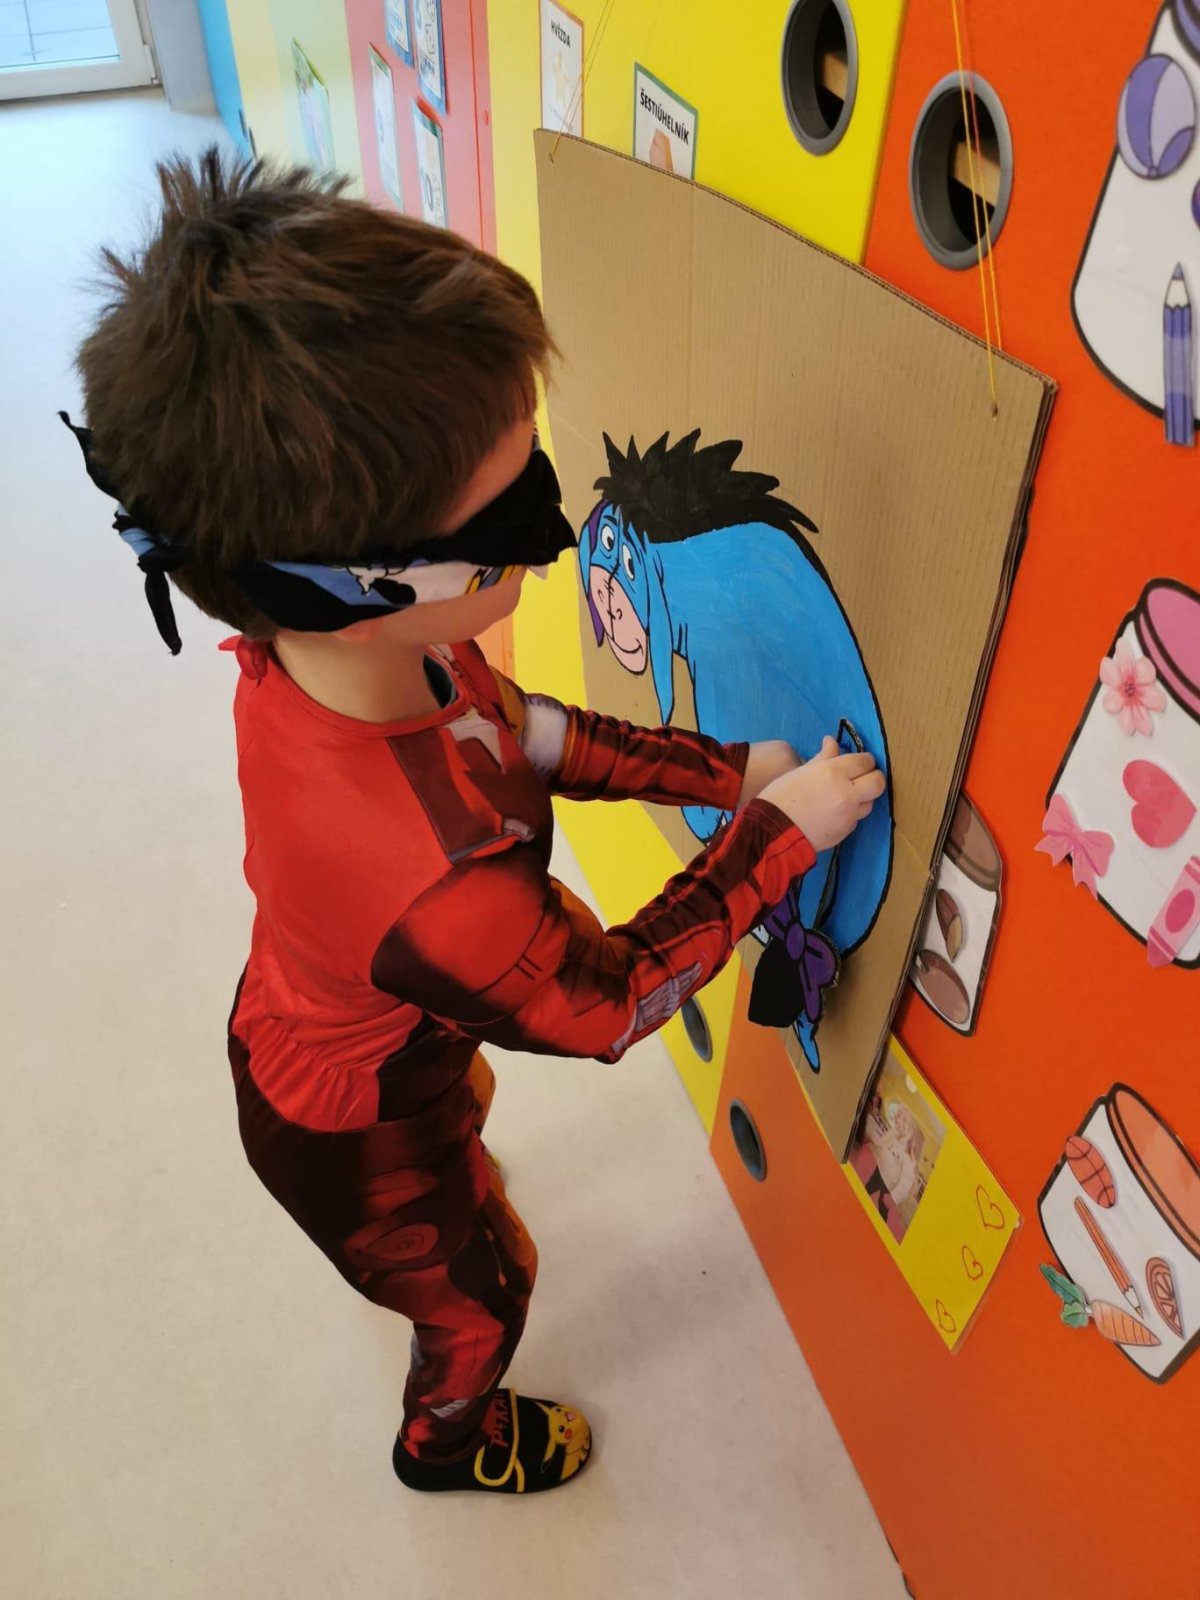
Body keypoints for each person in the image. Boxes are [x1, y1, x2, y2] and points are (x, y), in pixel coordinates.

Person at [66, 149, 886, 1497]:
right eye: (506, 521)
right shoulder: (430, 882)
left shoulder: (365, 661)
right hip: (354, 1133)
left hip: (330, 1034)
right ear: (365, 586)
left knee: (464, 1159)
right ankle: (445, 1442)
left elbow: (529, 734)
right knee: (486, 1289)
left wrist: (727, 771)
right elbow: (605, 1004)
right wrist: (777, 837)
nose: (552, 535)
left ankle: (424, 1256)